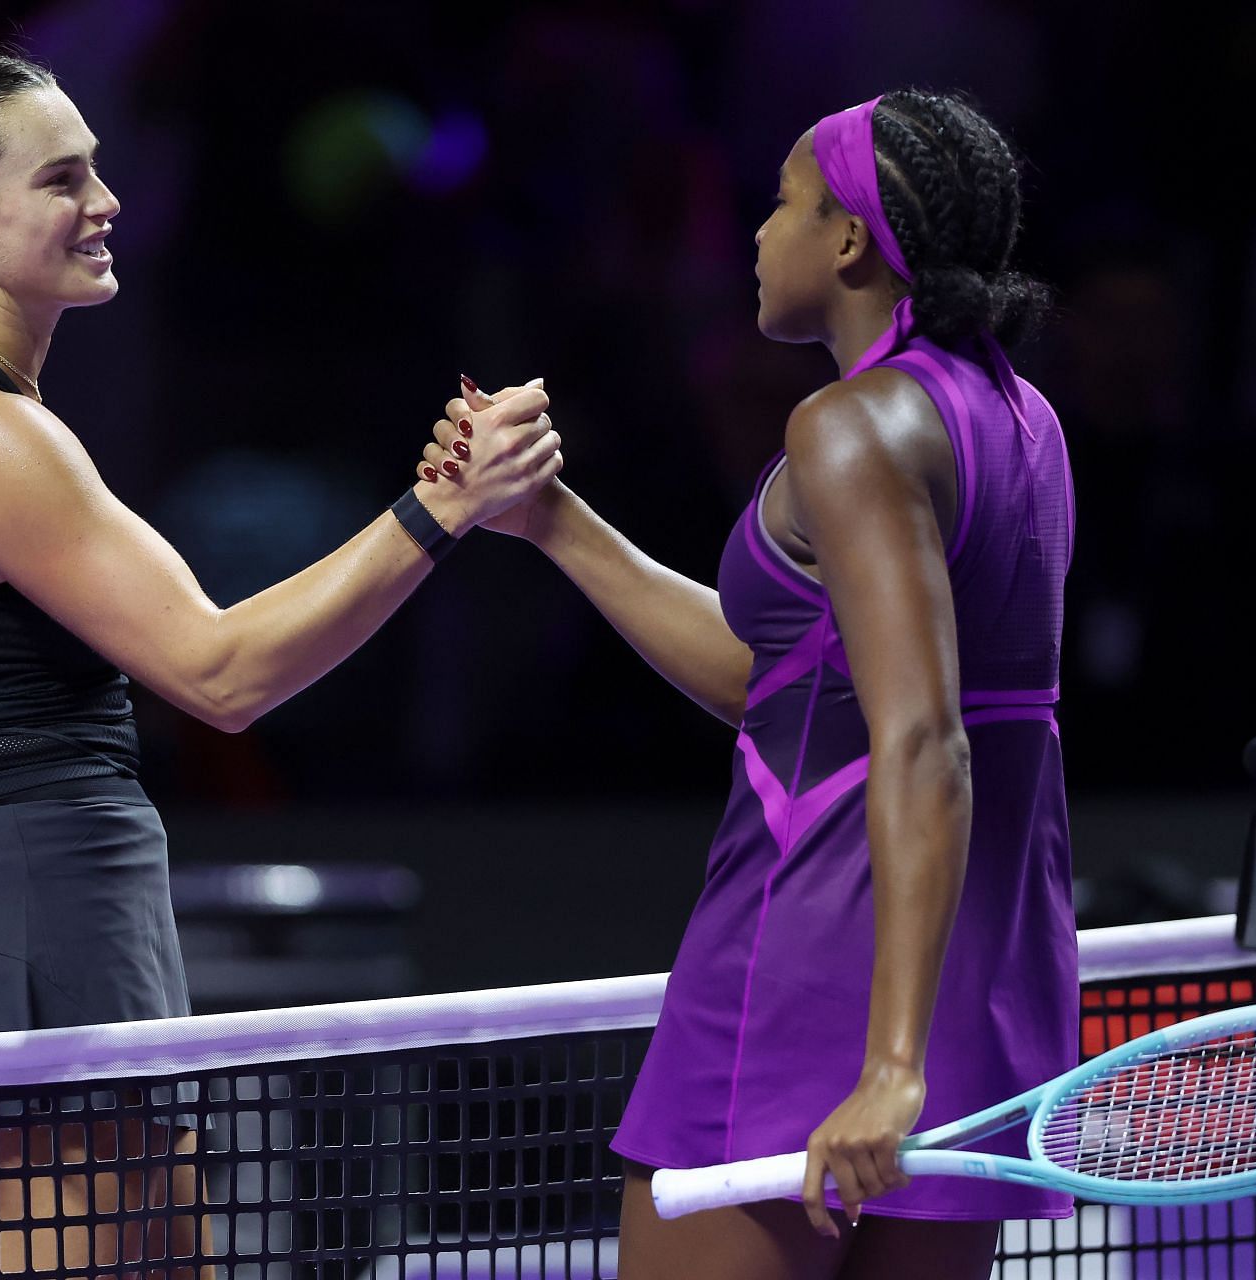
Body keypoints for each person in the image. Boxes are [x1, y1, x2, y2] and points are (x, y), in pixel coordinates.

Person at [0, 46, 558, 1276]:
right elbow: (222, 673)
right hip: (32, 929)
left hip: (49, 919)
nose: (107, 202)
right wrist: (439, 509)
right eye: (64, 178)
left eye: (97, 168)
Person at [429, 90, 1072, 1279]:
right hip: (969, 976)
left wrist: (886, 1066)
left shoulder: (850, 426)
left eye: (783, 202)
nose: (760, 232)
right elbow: (782, 685)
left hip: (807, 966)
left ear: (848, 240)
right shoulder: (1020, 418)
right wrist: (551, 521)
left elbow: (924, 737)